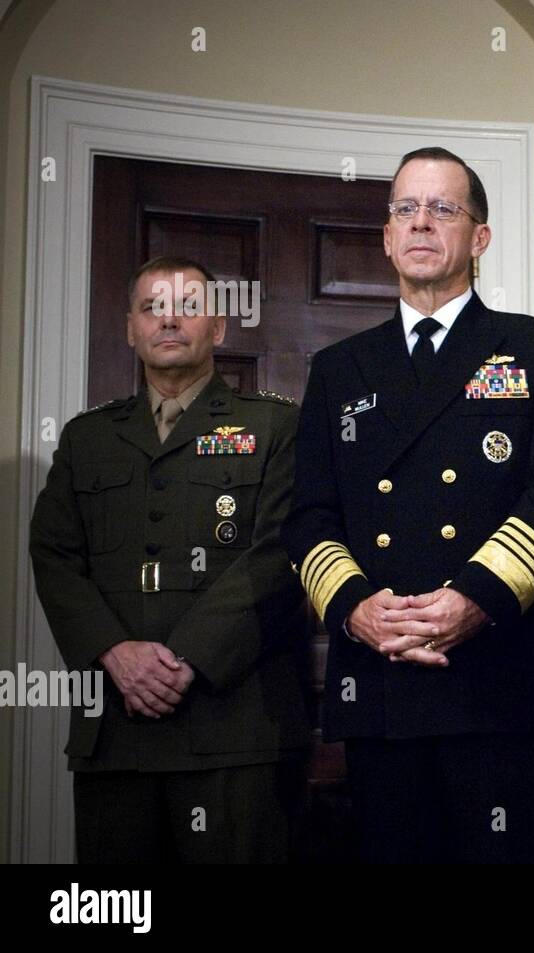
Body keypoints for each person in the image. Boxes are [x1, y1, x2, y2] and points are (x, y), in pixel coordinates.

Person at [282, 147, 534, 863]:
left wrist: (473, 600)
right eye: (405, 210)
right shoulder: (339, 370)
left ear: (478, 237)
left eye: (443, 208)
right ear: (388, 237)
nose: (422, 223)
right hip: (385, 674)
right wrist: (356, 606)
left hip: (500, 677)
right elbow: (308, 515)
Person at [29, 255, 310, 863]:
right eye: (152, 307)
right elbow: (54, 555)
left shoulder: (275, 426)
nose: (169, 320)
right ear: (130, 328)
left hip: (236, 728)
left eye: (188, 306)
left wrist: (187, 660)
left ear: (219, 328)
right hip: (116, 731)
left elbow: (281, 555)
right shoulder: (87, 438)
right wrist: (114, 652)